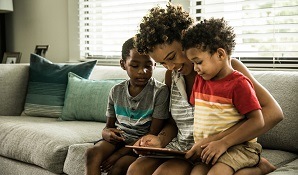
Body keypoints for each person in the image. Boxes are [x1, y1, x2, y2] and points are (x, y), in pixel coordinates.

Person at [127, 3, 283, 175]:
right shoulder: (173, 76)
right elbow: (175, 122)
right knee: (136, 169)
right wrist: (159, 140)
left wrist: (216, 140)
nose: (170, 67)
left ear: (185, 38)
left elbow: (273, 113)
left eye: (172, 57)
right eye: (163, 63)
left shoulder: (227, 70)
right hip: (185, 148)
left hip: (220, 149)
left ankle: (258, 165)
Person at [182, 17, 264, 175]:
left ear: (220, 54)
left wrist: (224, 142)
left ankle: (260, 168)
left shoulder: (239, 84)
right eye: (192, 62)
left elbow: (257, 121)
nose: (195, 68)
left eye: (198, 62)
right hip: (210, 148)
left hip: (239, 146)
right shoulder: (200, 80)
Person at [85, 37, 169, 175]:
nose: (142, 71)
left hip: (141, 145)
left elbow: (153, 133)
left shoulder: (160, 92)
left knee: (119, 166)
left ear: (154, 65)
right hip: (118, 140)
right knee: (91, 153)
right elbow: (109, 127)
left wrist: (117, 155)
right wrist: (106, 133)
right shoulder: (116, 91)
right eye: (135, 66)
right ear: (123, 64)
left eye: (148, 66)